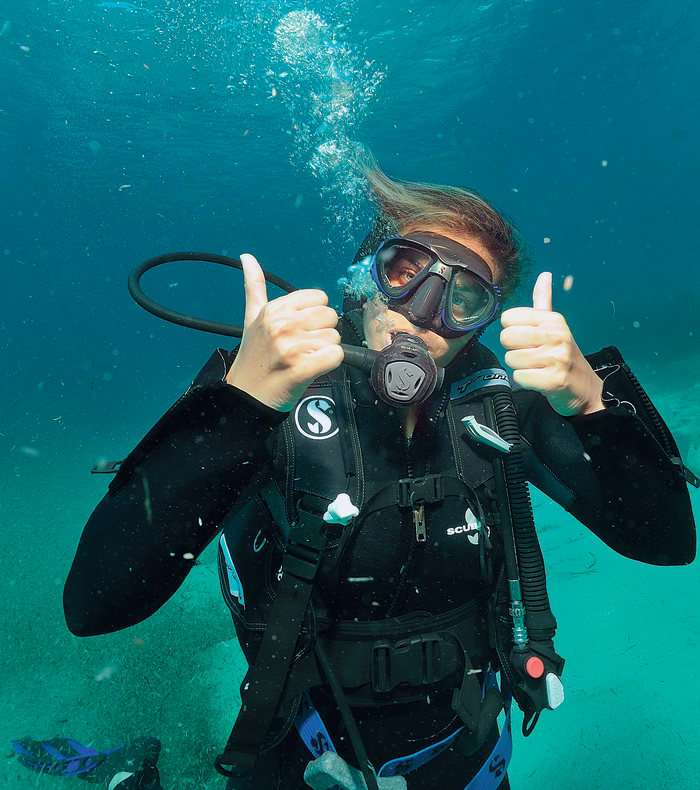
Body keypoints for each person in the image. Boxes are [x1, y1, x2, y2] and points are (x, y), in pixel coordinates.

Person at [59, 167, 696, 790]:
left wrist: (591, 401)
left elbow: (666, 543)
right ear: (364, 279)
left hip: (469, 759)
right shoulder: (272, 391)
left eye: (464, 296)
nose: (422, 313)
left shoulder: (502, 406)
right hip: (295, 762)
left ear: (483, 320)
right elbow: (94, 605)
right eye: (404, 271)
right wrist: (238, 404)